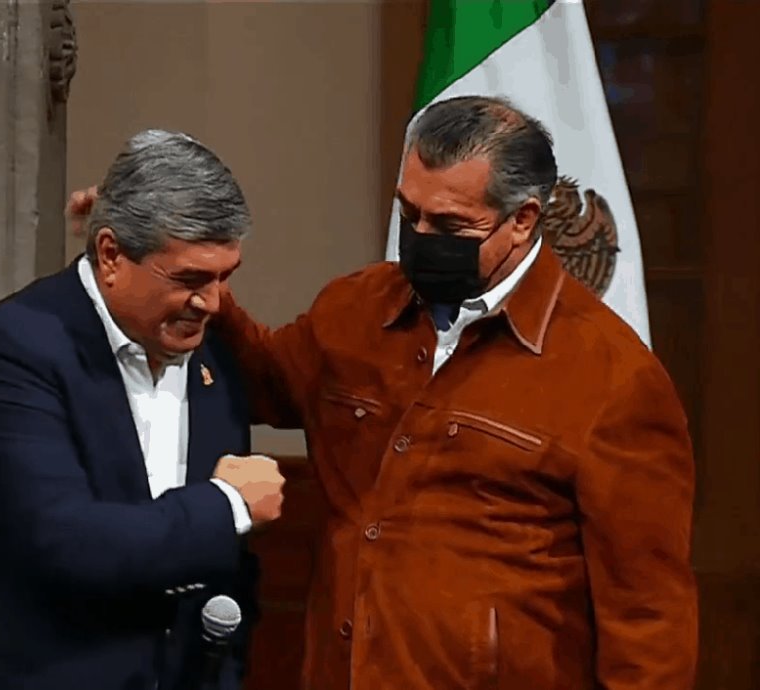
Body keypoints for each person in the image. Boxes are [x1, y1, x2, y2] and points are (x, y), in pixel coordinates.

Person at [67, 96, 698, 690]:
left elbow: (648, 613)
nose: (419, 235)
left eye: (448, 223)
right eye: (408, 213)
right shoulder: (359, 306)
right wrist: (163, 260)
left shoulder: (612, 376)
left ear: (523, 220)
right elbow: (263, 384)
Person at [0, 130, 285, 690]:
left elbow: (224, 579)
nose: (211, 302)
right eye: (189, 279)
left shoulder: (213, 364)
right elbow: (68, 543)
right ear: (110, 254)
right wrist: (227, 504)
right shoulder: (9, 351)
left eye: (224, 277)